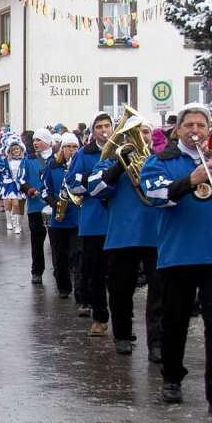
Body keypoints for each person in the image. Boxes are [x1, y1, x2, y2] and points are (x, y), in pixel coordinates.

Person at [141, 103, 212, 418]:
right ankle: (172, 378)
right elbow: (155, 196)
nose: (195, 131)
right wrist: (190, 180)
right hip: (178, 254)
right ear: (177, 130)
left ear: (210, 130)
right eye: (188, 125)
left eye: (201, 126)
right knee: (175, 321)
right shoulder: (160, 161)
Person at [89, 122, 164, 360]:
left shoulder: (159, 161)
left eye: (145, 132)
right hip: (123, 235)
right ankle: (122, 335)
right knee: (120, 290)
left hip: (157, 235)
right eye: (135, 133)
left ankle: (157, 343)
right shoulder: (108, 162)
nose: (141, 137)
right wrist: (121, 166)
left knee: (160, 292)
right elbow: (96, 189)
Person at [66, 112, 114, 334]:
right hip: (94, 221)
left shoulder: (121, 151)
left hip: (118, 222)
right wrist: (97, 181)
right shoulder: (85, 153)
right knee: (95, 272)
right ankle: (100, 316)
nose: (104, 130)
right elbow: (72, 183)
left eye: (107, 126)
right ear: (93, 131)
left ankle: (122, 318)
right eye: (99, 127)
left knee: (119, 275)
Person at [42, 133, 82, 300]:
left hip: (78, 218)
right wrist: (53, 202)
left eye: (74, 147)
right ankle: (63, 287)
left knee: (78, 256)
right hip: (59, 220)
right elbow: (45, 189)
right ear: (62, 148)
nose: (71, 150)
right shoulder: (52, 166)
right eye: (68, 146)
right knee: (60, 257)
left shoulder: (81, 166)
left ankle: (81, 293)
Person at [22, 129, 54, 284]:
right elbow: (21, 180)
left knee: (57, 242)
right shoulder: (29, 160)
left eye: (39, 140)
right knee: (37, 241)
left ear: (48, 142)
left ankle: (61, 270)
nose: (35, 143)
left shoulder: (56, 159)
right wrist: (30, 189)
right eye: (34, 140)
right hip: (35, 206)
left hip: (54, 206)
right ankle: (37, 271)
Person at [0, 138, 26, 234]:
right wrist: (6, 179)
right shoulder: (7, 161)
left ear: (21, 150)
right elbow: (4, 171)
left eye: (17, 149)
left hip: (20, 184)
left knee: (18, 204)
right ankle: (9, 222)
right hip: (9, 183)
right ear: (10, 151)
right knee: (10, 203)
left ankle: (18, 224)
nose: (16, 151)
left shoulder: (24, 161)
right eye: (14, 149)